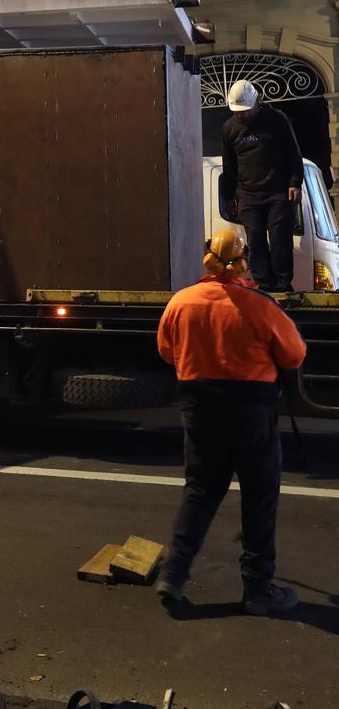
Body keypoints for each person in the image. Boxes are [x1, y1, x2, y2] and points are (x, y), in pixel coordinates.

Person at [156, 228, 306, 617]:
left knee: (200, 491)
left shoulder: (181, 302)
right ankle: (257, 588)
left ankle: (173, 576)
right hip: (250, 412)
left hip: (199, 409)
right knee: (259, 495)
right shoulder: (260, 304)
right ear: (241, 263)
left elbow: (166, 351)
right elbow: (293, 355)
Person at [221, 79, 303, 292]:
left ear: (257, 102)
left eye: (246, 111)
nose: (242, 115)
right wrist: (229, 197)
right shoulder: (230, 129)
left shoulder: (276, 120)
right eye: (238, 112)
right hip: (248, 194)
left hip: (277, 191)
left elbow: (293, 152)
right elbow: (229, 166)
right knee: (255, 240)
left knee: (280, 239)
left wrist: (295, 183)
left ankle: (283, 285)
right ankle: (264, 286)